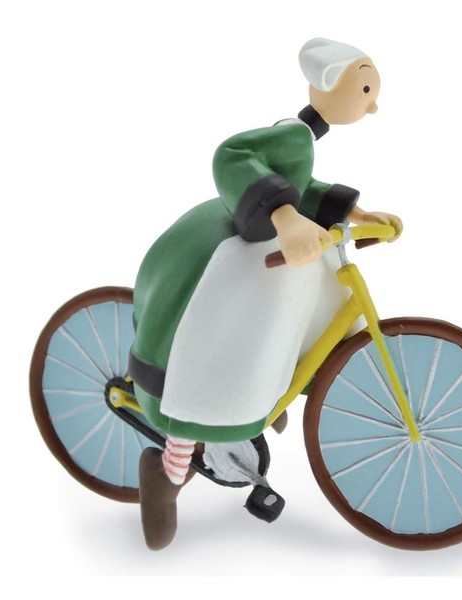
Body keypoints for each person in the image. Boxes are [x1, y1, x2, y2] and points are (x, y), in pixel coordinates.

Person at [128, 37, 403, 549]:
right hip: (230, 251)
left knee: (292, 309)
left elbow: (298, 184)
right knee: (210, 362)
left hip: (267, 243)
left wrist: (355, 213)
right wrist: (282, 216)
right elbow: (231, 156)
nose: (372, 105)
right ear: (329, 83)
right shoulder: (293, 134)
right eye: (366, 90)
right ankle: (166, 474)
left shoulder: (300, 138)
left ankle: (260, 393)